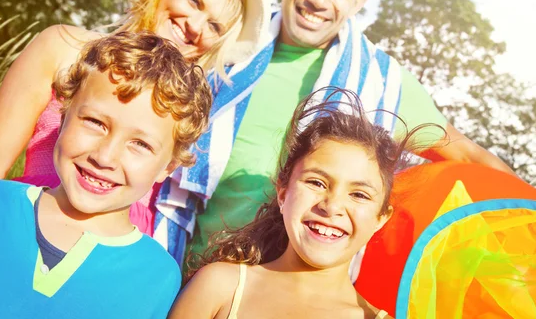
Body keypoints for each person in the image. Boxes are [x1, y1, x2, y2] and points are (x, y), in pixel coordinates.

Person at [158, 0, 516, 267]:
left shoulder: (383, 81)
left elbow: (467, 156)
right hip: (188, 265)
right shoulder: (226, 45)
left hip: (295, 289)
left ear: (359, 1)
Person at [0, 0, 269, 234]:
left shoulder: (193, 107)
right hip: (25, 226)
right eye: (194, 1)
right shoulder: (63, 47)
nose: (196, 26)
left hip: (117, 257)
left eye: (214, 25)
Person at [0, 31, 211, 318]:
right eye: (95, 122)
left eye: (140, 144)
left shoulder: (156, 277)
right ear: (63, 116)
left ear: (168, 167)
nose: (105, 157)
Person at [169, 88, 416, 319]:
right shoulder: (220, 287)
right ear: (283, 193)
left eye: (359, 195)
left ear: (380, 218)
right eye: (317, 183)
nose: (331, 207)